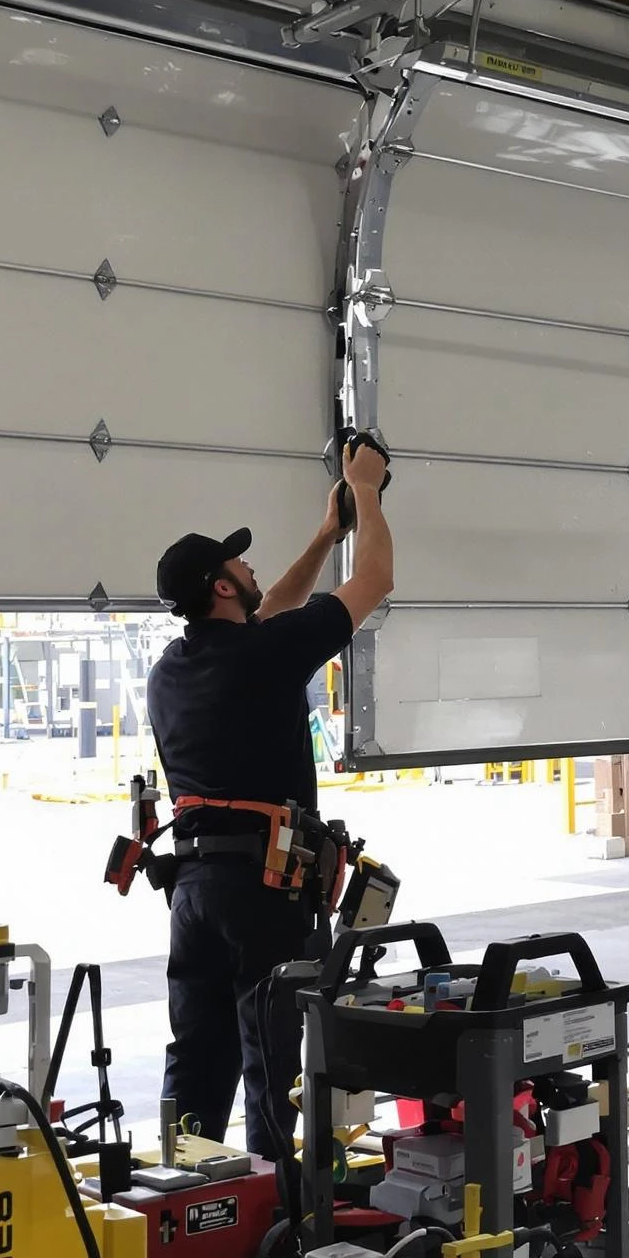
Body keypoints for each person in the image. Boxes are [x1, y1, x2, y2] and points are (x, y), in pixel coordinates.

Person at [146, 439, 393, 1156]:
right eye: (239, 563)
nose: (251, 567)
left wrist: (326, 535)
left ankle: (181, 1194)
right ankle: (277, 1204)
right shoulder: (264, 655)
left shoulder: (171, 668)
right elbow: (375, 581)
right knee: (273, 1064)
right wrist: (366, 487)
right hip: (263, 891)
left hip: (193, 893)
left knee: (198, 1057)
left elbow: (272, 611)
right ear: (222, 588)